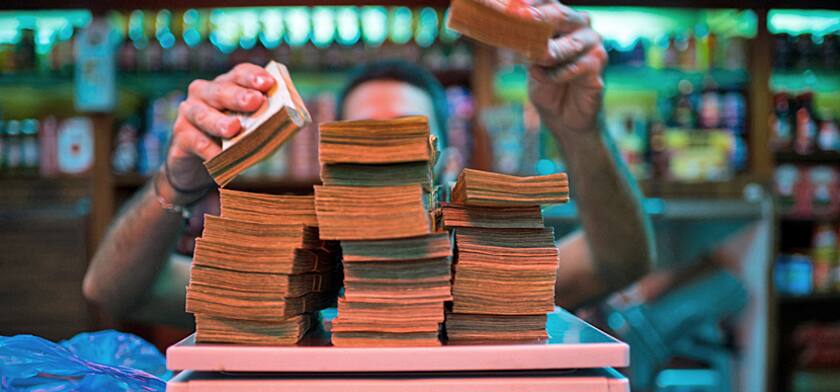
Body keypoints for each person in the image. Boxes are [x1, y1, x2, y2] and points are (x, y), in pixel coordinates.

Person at [83, 1, 654, 324]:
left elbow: (618, 261)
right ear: (330, 161)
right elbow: (113, 290)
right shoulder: (302, 276)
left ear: (445, 157)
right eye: (362, 140)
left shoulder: (484, 273)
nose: (383, 158)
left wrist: (580, 131)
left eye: (405, 137)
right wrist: (176, 182)